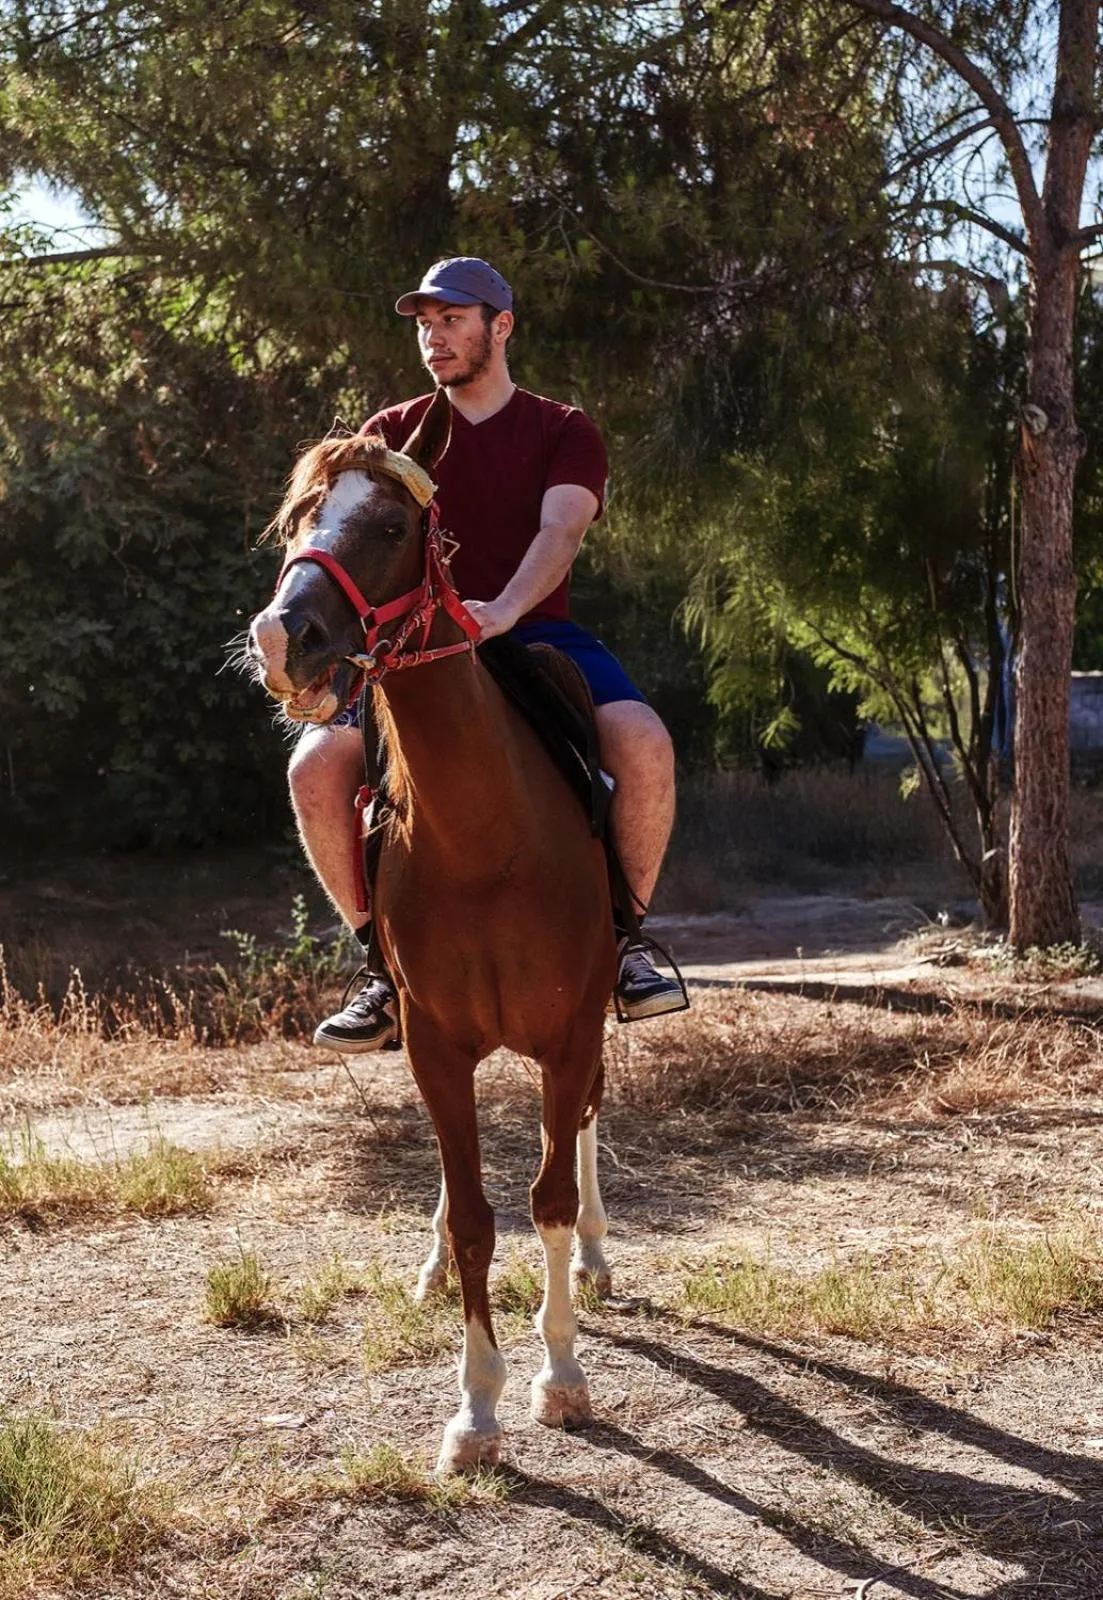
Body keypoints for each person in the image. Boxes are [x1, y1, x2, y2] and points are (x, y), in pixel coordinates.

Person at [289, 256, 683, 1051]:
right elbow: (338, 543)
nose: (433, 338)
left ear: (499, 327)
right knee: (314, 768)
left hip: (531, 631)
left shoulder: (562, 430)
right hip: (408, 651)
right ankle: (379, 966)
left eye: (452, 321)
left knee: (643, 744)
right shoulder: (388, 433)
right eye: (424, 325)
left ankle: (625, 943)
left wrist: (500, 611)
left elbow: (561, 531)